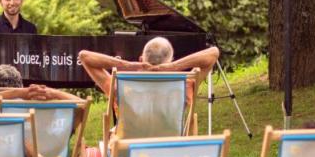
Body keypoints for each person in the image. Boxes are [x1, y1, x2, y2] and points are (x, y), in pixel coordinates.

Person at [78, 37, 219, 103]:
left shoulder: (119, 88)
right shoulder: (185, 86)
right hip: (169, 150)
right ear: (169, 61)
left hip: (128, 150)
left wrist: (128, 65)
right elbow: (213, 53)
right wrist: (174, 67)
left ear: (141, 59)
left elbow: (84, 56)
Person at [0, 64, 83, 102]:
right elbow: (83, 105)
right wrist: (54, 93)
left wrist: (17, 93)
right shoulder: (34, 111)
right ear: (21, 86)